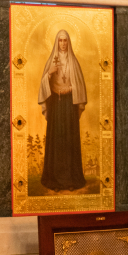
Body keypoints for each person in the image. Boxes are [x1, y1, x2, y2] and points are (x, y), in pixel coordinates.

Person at [38, 30, 87, 191]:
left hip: (68, 104)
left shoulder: (73, 61)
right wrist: (50, 73)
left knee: (69, 140)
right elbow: (44, 83)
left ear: (69, 42)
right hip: (56, 105)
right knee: (56, 140)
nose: (63, 44)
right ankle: (55, 181)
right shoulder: (52, 60)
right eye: (60, 41)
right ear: (56, 42)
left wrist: (74, 88)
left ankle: (71, 180)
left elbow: (79, 84)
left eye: (65, 41)